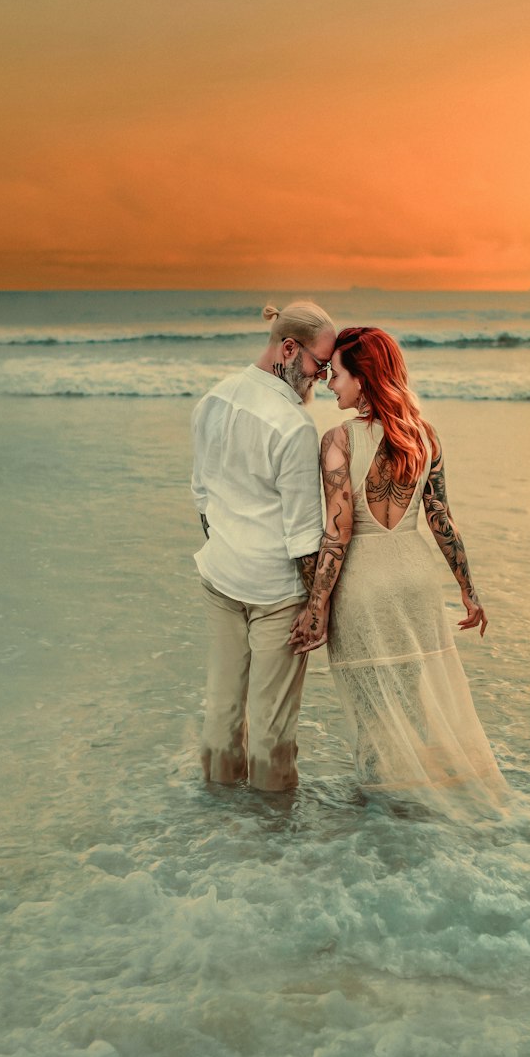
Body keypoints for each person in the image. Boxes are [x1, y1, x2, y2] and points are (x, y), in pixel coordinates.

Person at [289, 326, 507, 813]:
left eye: (338, 375)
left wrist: (316, 606)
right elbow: (441, 520)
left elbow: (338, 533)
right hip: (416, 581)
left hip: (365, 587)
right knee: (410, 704)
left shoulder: (338, 439)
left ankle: (381, 814)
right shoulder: (424, 436)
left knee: (372, 715)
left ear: (363, 380)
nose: (330, 385)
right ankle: (417, 803)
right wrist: (470, 594)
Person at [191, 301, 336, 792]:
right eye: (320, 364)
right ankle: (271, 847)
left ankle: (217, 829)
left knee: (222, 712)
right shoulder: (293, 426)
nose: (323, 376)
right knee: (271, 730)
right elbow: (303, 536)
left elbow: (202, 498)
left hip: (219, 578)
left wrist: (232, 549)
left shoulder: (212, 399)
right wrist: (318, 607)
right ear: (288, 349)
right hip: (276, 593)